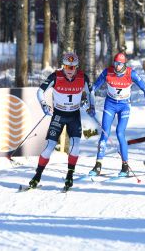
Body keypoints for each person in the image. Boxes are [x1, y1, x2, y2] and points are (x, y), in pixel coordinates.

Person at [28, 52, 94, 189]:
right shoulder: (56, 76)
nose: (69, 70)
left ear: (77, 67)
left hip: (74, 115)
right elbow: (40, 92)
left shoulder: (83, 77)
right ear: (62, 66)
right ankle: (37, 175)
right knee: (49, 146)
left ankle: (70, 175)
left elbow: (90, 92)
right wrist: (44, 105)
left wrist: (91, 105)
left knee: (76, 145)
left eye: (73, 67)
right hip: (58, 115)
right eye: (66, 67)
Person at [89, 52, 145, 177]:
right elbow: (93, 89)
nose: (117, 66)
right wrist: (92, 105)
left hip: (124, 106)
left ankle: (125, 166)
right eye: (115, 63)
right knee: (105, 132)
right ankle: (98, 165)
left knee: (119, 133)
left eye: (120, 64)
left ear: (124, 64)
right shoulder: (108, 72)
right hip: (110, 105)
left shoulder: (131, 73)